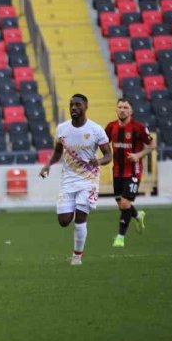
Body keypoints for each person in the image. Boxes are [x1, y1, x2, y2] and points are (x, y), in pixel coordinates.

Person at [39, 94, 112, 266]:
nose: (73, 108)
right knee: (64, 221)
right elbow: (58, 152)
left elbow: (108, 155)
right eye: (71, 105)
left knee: (80, 217)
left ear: (86, 106)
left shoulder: (96, 130)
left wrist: (99, 161)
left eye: (77, 105)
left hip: (89, 179)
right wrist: (48, 165)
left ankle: (77, 256)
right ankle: (73, 210)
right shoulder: (62, 129)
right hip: (69, 179)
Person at [105, 97, 156, 247]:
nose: (122, 110)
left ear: (131, 111)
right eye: (120, 107)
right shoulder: (111, 127)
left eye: (125, 107)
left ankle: (120, 237)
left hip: (133, 171)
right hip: (117, 172)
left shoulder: (138, 128)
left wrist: (138, 155)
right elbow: (103, 143)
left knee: (126, 203)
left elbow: (152, 145)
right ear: (116, 109)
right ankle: (138, 215)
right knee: (122, 205)